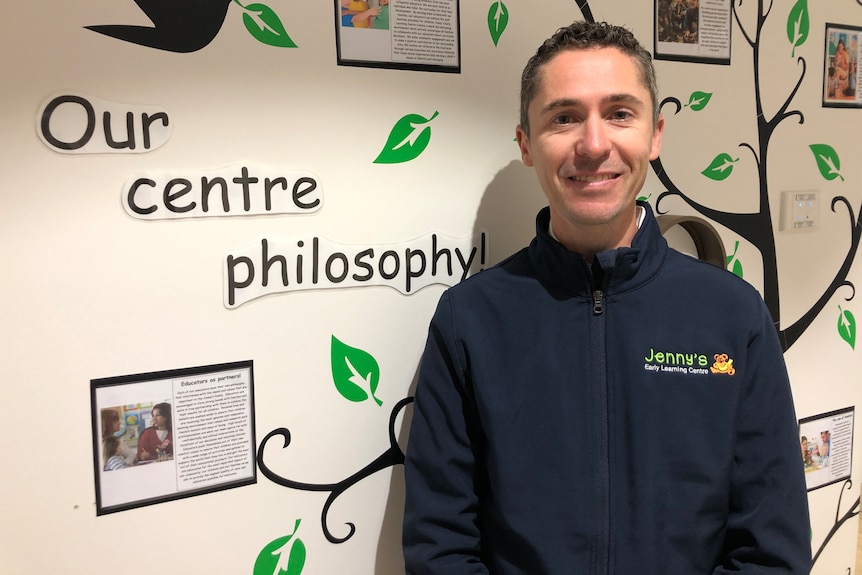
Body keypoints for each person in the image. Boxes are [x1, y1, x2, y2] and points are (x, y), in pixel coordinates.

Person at [403, 20, 811, 574]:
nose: (594, 145)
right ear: (526, 143)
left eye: (619, 113)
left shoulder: (733, 316)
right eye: (564, 117)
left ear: (655, 134)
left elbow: (772, 549)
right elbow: (439, 547)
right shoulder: (469, 320)